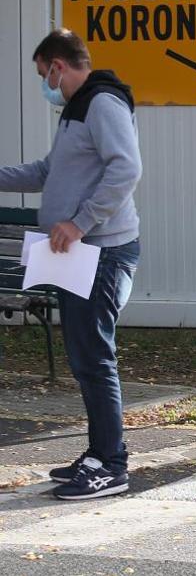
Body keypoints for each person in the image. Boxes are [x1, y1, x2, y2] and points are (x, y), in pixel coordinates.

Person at [0, 30, 141, 501]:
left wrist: (79, 223)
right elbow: (47, 172)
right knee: (84, 358)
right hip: (79, 254)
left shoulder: (102, 103)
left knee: (95, 359)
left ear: (59, 65)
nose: (45, 84)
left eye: (45, 74)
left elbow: (127, 168)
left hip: (100, 252)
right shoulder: (75, 111)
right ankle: (100, 452)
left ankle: (112, 465)